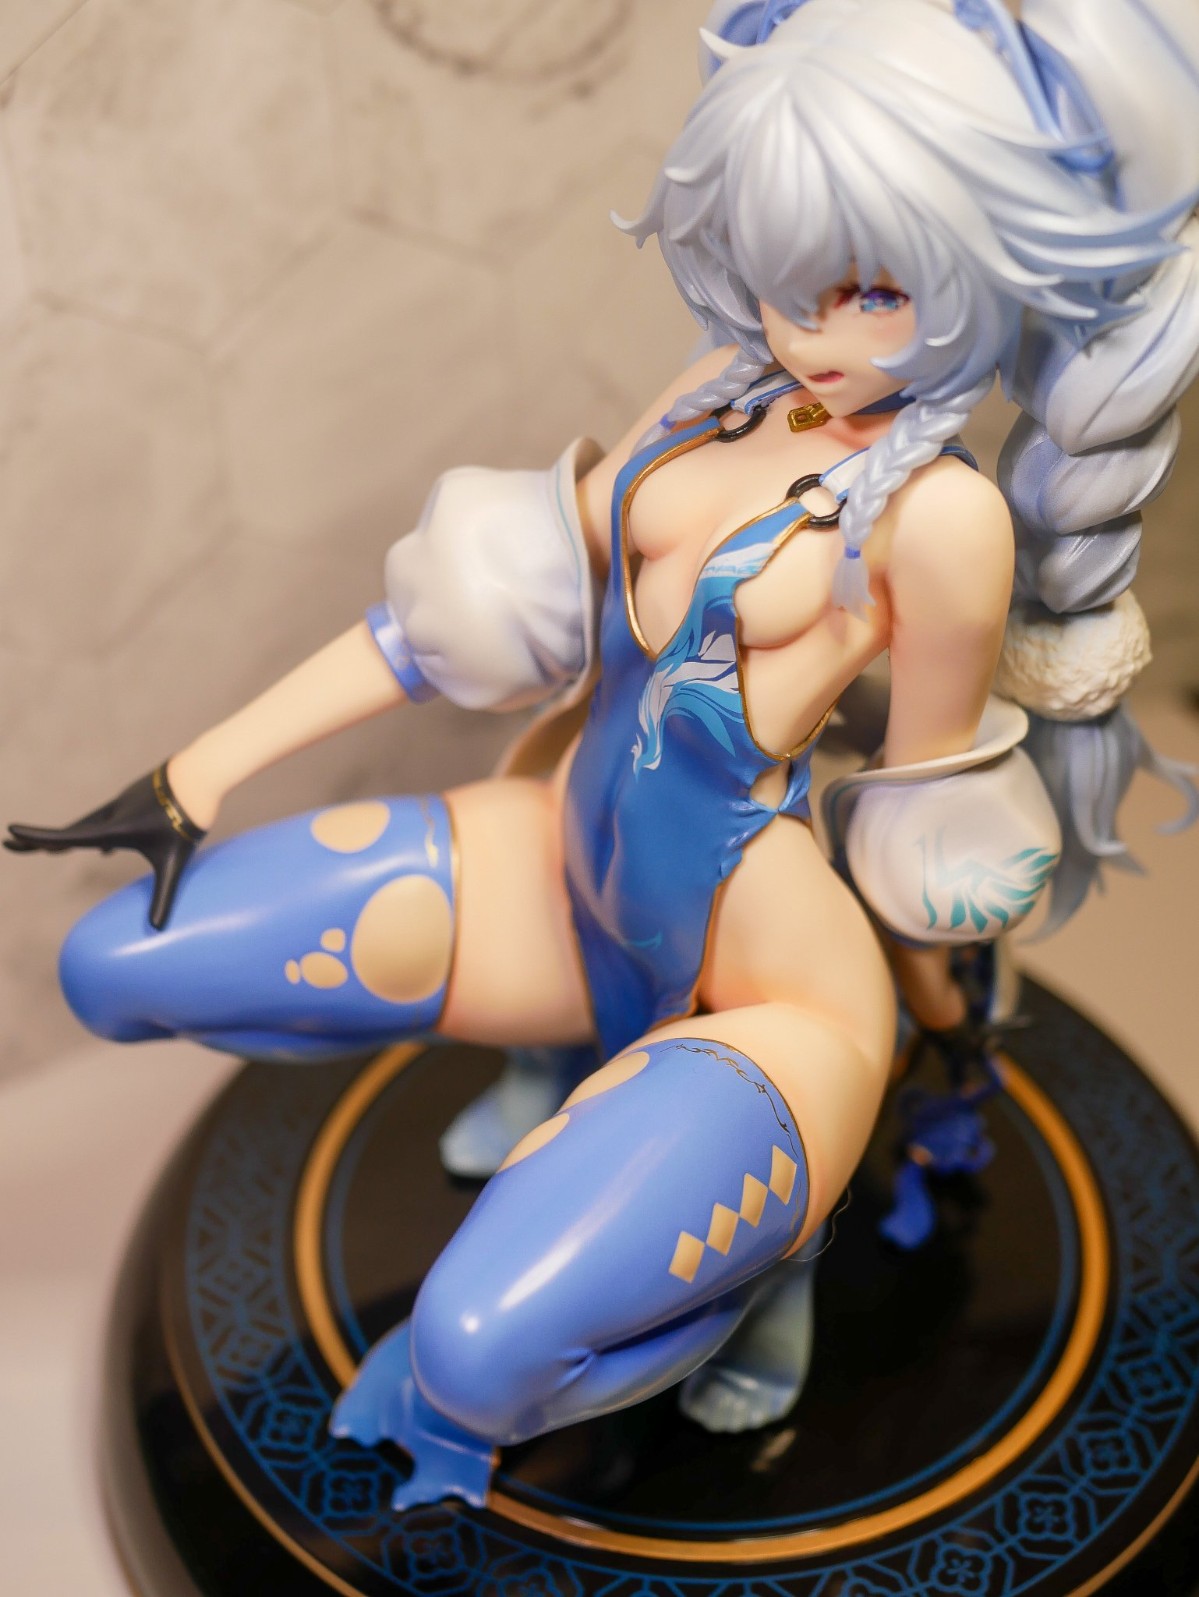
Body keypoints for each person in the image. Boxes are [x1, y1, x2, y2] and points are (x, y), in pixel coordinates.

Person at [7, 0, 1198, 1511]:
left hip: (762, 982)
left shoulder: (942, 518)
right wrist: (196, 772)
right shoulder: (713, 395)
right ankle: (566, 1066)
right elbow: (461, 616)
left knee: (470, 1350)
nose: (805, 332)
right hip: (563, 874)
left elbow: (920, 812)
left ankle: (776, 1250)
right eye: (780, 275)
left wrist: (935, 1046)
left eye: (871, 290)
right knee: (113, 964)